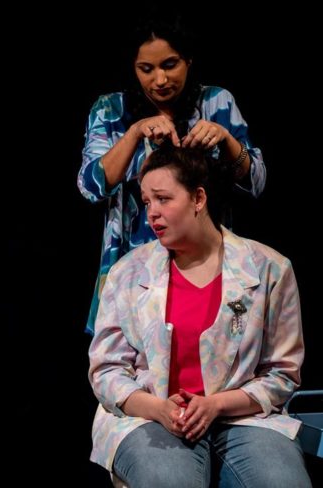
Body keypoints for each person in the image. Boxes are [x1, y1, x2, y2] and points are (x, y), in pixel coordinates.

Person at [88, 144, 310, 487]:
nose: (152, 214)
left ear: (198, 199)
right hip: (150, 418)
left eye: (163, 199)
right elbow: (106, 370)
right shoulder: (127, 273)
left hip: (242, 419)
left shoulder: (269, 269)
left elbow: (282, 373)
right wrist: (156, 408)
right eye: (147, 202)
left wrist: (216, 405)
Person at [78, 14, 266, 334]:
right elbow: (90, 186)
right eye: (146, 69)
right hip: (132, 266)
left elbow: (257, 183)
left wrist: (227, 139)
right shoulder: (111, 110)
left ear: (188, 61)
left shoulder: (215, 102)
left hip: (207, 263)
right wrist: (135, 132)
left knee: (204, 354)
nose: (160, 80)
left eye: (170, 64)